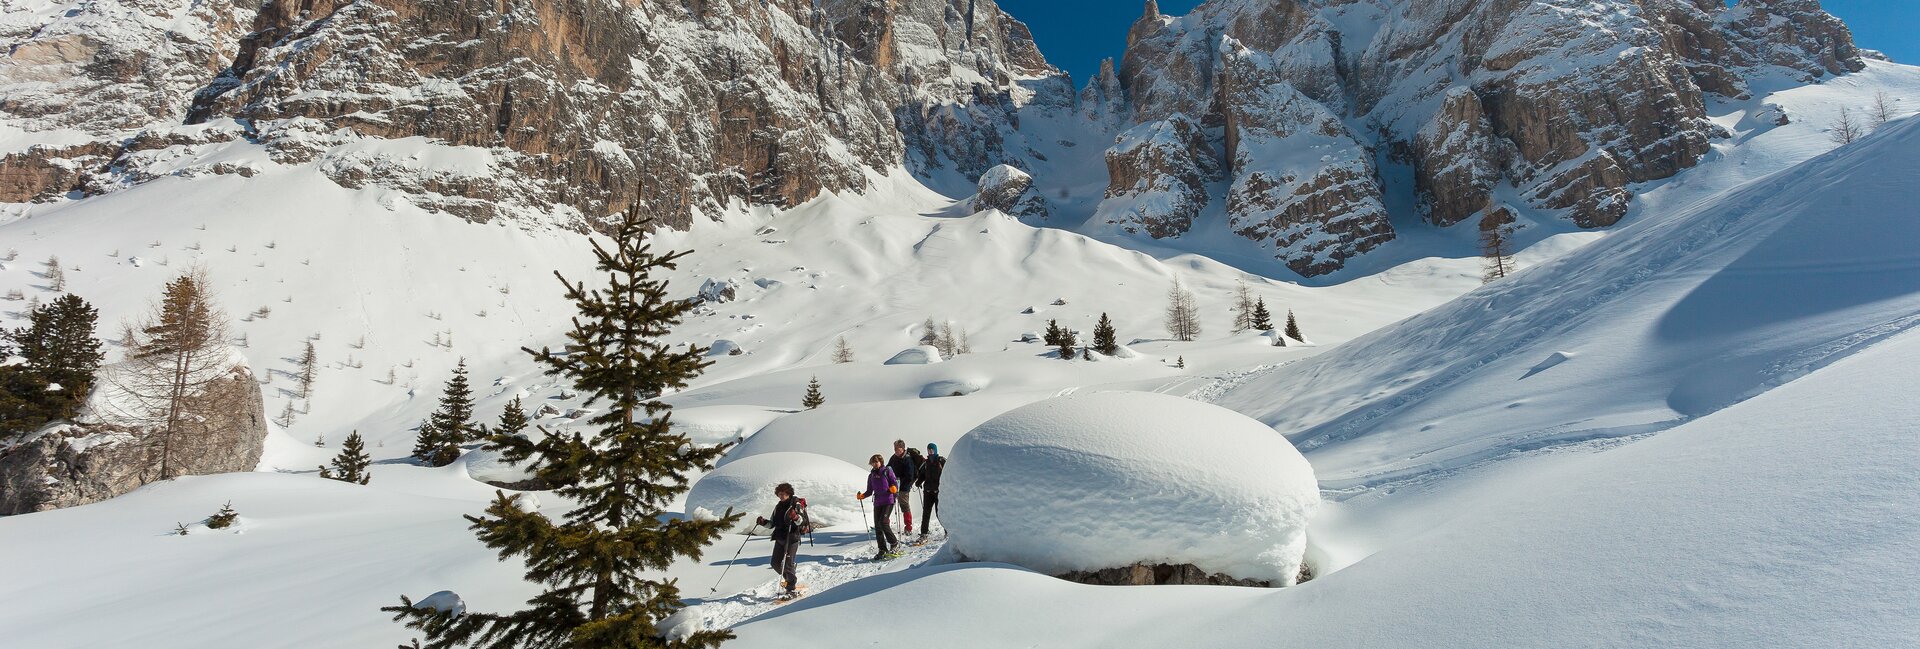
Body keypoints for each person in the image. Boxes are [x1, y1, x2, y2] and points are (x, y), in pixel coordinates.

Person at [755, 482, 811, 599]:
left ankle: (791, 589)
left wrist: (795, 517)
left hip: (792, 538)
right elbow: (772, 524)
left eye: (783, 494)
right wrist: (763, 522)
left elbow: (802, 521)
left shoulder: (795, 504)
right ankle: (790, 578)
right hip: (779, 538)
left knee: (788, 565)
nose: (781, 496)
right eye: (779, 494)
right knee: (775, 563)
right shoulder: (778, 506)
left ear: (788, 493)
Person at [856, 453, 900, 559]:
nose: (875, 464)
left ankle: (894, 543)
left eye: (876, 461)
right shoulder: (871, 476)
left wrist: (894, 488)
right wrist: (862, 496)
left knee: (883, 522)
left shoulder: (887, 471)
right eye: (873, 462)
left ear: (881, 462)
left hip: (888, 500)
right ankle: (882, 549)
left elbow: (894, 483)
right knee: (878, 527)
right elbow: (870, 491)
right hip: (878, 502)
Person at [887, 440, 919, 534]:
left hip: (904, 488)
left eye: (898, 448)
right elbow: (888, 469)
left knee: (904, 506)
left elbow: (910, 476)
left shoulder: (907, 459)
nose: (896, 450)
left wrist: (901, 484)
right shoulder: (893, 458)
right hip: (893, 486)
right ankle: (885, 524)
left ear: (903, 448)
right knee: (888, 504)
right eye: (895, 449)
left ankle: (908, 527)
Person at [915, 442, 946, 540]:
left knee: (939, 513)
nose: (930, 452)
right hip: (928, 491)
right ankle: (924, 533)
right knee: (926, 513)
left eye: (932, 450)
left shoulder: (942, 461)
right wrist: (918, 482)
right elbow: (923, 475)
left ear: (935, 450)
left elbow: (947, 473)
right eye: (929, 450)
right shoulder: (926, 463)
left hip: (939, 491)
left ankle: (948, 531)